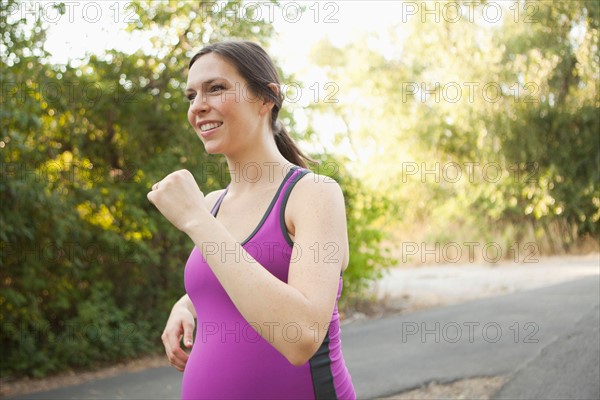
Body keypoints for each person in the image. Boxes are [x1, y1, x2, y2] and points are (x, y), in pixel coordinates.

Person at [147, 40, 356, 400]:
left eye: (216, 88)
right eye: (191, 95)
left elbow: (300, 336)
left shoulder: (314, 195)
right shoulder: (213, 204)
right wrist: (187, 303)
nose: (198, 106)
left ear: (266, 98)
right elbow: (237, 283)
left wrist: (197, 221)